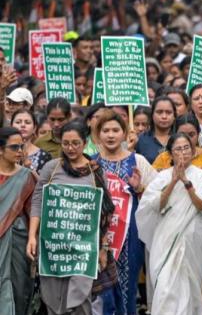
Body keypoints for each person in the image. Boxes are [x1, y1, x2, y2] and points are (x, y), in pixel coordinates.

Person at [27, 121, 116, 314]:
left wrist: (103, 247)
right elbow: (37, 201)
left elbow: (104, 211)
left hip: (84, 248)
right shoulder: (51, 168)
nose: (70, 148)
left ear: (85, 143)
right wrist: (32, 236)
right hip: (53, 246)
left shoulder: (95, 172)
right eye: (66, 143)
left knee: (79, 300)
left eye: (75, 143)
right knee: (53, 297)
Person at [137, 132, 202, 314]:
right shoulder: (161, 177)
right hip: (166, 239)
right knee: (165, 289)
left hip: (193, 238)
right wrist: (173, 181)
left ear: (193, 151)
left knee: (190, 289)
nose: (182, 152)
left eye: (186, 148)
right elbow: (154, 205)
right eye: (178, 149)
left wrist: (186, 182)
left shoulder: (201, 176)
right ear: (170, 153)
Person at [92, 111, 157, 315]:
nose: (110, 135)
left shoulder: (138, 161)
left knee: (127, 288)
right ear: (98, 134)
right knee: (101, 292)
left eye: (115, 130)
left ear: (124, 133)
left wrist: (139, 189)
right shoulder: (90, 164)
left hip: (130, 237)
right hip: (97, 237)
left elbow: (158, 198)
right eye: (106, 131)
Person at [0, 127, 37, 315]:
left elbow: (34, 211)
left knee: (19, 289)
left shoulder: (27, 177)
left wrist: (31, 237)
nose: (20, 151)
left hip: (17, 242)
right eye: (14, 147)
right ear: (0, 149)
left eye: (21, 146)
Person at [135, 96, 177, 164]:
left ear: (174, 116)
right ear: (152, 115)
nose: (164, 116)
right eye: (159, 112)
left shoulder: (181, 138)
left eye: (168, 112)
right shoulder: (141, 140)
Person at [11, 108, 52, 172]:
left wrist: (29, 166)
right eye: (18, 122)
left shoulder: (44, 156)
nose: (23, 125)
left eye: (27, 122)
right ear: (11, 126)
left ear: (34, 128)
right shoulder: (3, 152)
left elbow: (44, 181)